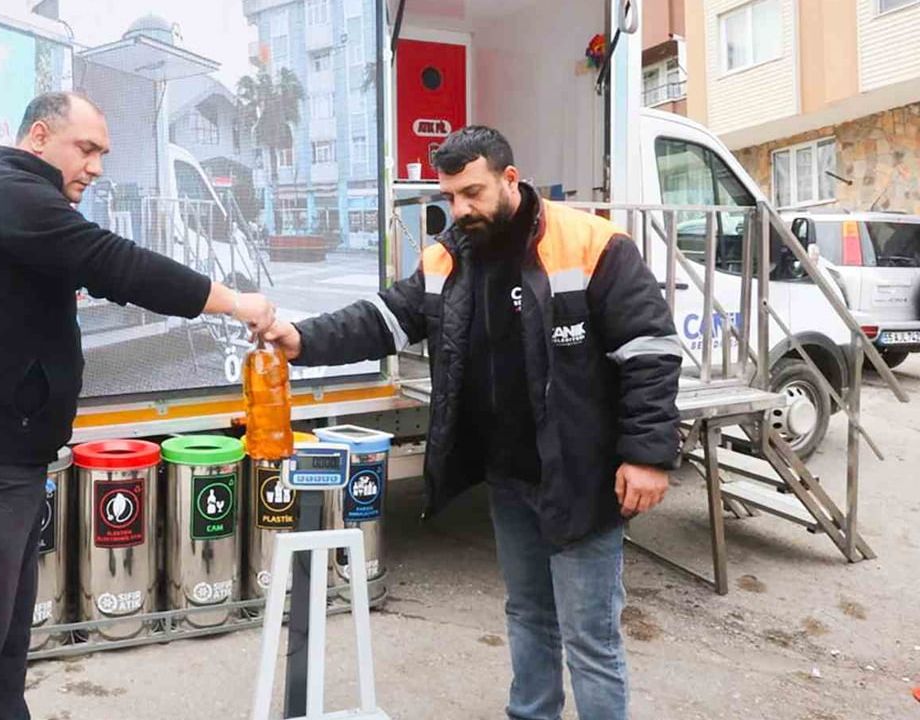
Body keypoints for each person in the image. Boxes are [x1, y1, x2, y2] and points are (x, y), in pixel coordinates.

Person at [0, 91, 278, 720]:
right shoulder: (10, 194)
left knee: (0, 660)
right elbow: (113, 262)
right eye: (86, 149)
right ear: (39, 136)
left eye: (102, 154)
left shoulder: (3, 201)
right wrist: (235, 301)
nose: (95, 167)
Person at [262, 126, 681, 720]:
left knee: (591, 640)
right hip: (509, 477)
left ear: (510, 179)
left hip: (581, 477)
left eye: (472, 193)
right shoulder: (449, 256)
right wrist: (302, 338)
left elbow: (650, 351)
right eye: (449, 197)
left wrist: (647, 455)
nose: (459, 210)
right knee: (528, 615)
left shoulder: (592, 243)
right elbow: (383, 318)